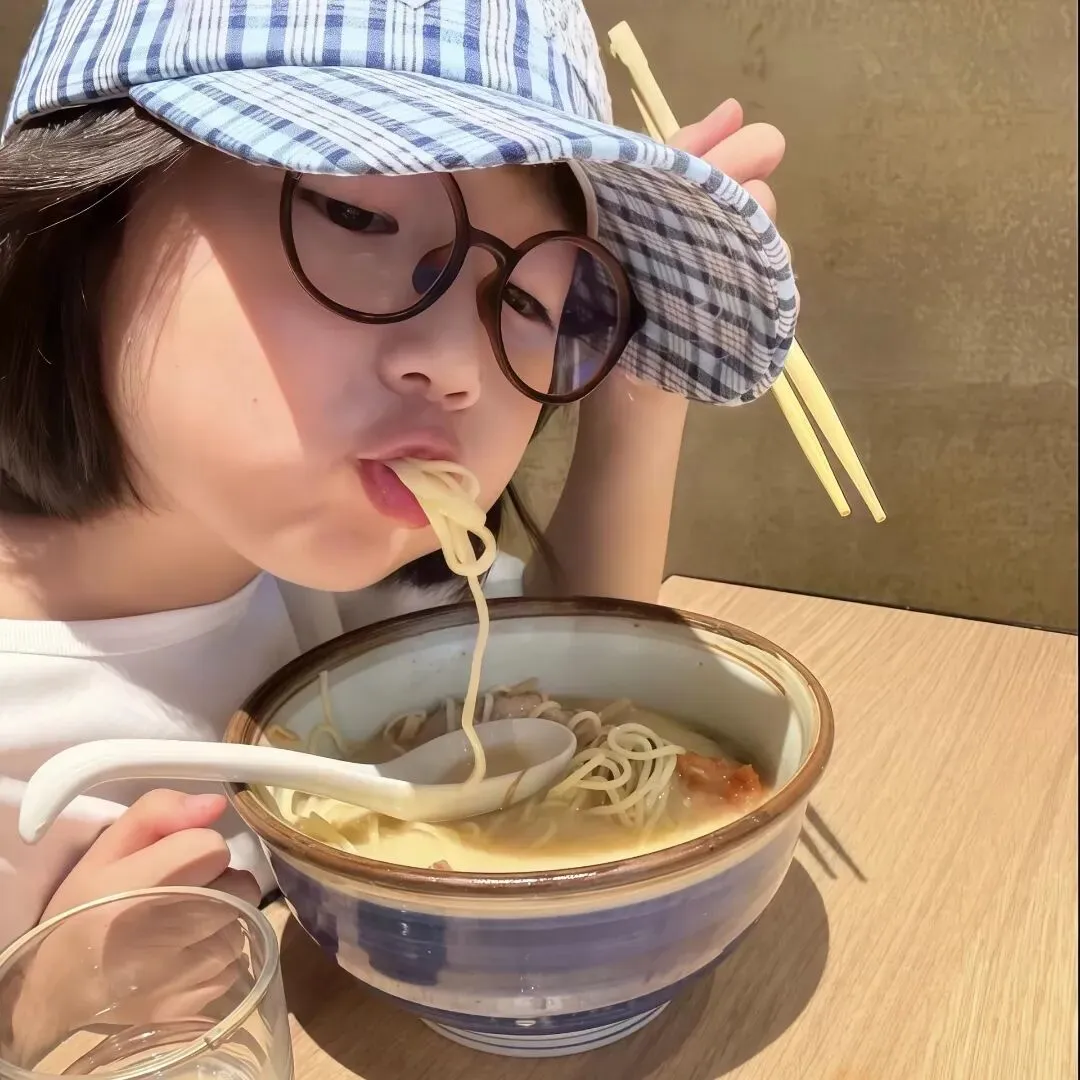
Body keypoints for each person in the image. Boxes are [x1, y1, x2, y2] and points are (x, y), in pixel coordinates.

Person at [0, 0, 797, 949]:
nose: (460, 367)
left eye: (530, 304)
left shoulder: (324, 589)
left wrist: (641, 380)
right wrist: (42, 1011)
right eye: (357, 214)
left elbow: (583, 681)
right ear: (86, 204)